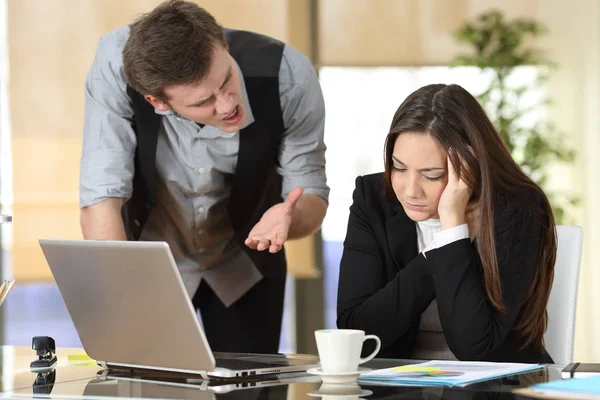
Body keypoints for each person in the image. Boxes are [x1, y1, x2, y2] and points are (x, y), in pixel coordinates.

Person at [79, 0, 329, 353]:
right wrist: (122, 298)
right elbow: (101, 194)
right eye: (203, 101)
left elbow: (312, 192)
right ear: (158, 101)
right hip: (150, 262)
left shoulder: (289, 76)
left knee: (251, 389)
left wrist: (290, 219)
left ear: (222, 44)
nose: (227, 105)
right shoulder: (114, 66)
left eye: (227, 78)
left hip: (245, 264)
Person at [337, 83, 556, 363]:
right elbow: (357, 334)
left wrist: (453, 223)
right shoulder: (374, 199)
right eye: (399, 168)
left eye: (431, 175)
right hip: (397, 387)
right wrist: (441, 246)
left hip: (494, 388)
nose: (410, 191)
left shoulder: (517, 207)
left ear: (469, 165)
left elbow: (474, 348)